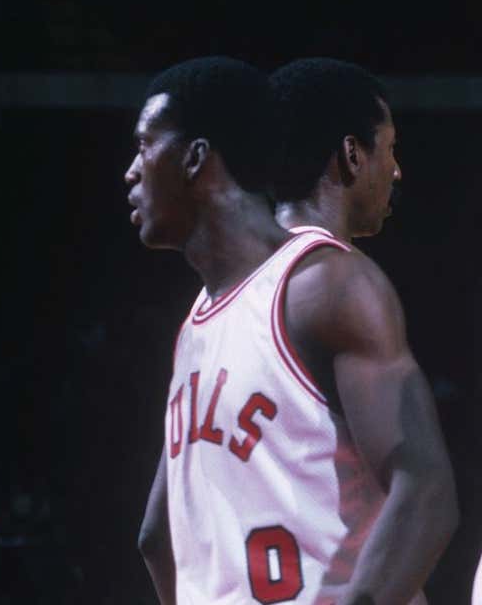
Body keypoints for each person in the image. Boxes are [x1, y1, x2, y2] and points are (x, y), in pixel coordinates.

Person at [129, 57, 456, 604]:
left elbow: (156, 539)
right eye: (390, 148)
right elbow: (427, 489)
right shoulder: (313, 287)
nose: (132, 171)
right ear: (352, 154)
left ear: (197, 158)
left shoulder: (229, 312)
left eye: (143, 147)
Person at [272, 58, 402, 241]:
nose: (397, 172)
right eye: (390, 148)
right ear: (352, 155)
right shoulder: (347, 269)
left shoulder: (241, 265)